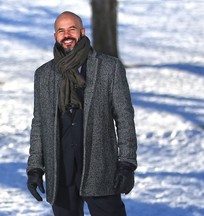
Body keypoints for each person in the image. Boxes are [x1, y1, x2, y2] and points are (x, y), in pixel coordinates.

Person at [26, 11, 137, 216]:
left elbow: (124, 118)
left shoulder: (108, 67)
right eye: (61, 30)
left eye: (72, 29)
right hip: (60, 170)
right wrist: (35, 168)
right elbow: (40, 123)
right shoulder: (44, 74)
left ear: (82, 32)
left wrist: (127, 164)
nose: (66, 35)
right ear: (55, 36)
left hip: (100, 168)